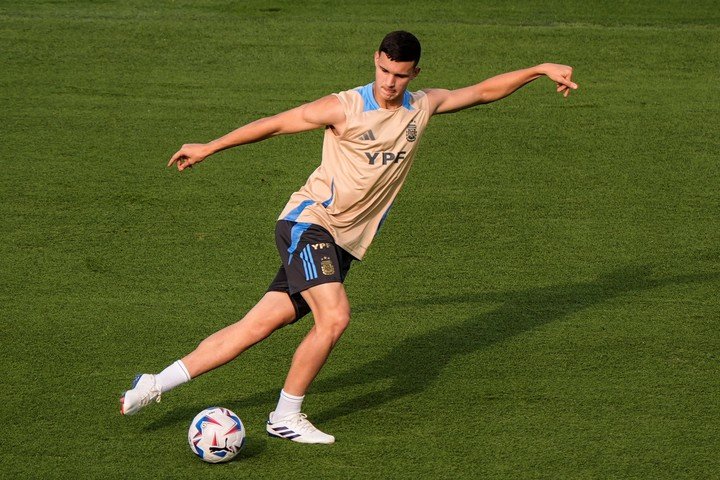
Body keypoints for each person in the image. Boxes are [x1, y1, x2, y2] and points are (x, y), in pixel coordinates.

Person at [120, 31, 577, 444]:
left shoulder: (423, 105)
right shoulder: (345, 107)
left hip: (341, 244)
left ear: (414, 73)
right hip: (309, 223)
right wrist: (210, 146)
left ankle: (154, 384)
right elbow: (278, 122)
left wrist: (539, 70)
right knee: (335, 317)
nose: (390, 82)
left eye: (400, 75)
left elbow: (481, 92)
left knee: (255, 327)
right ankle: (286, 415)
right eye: (383, 70)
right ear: (374, 59)